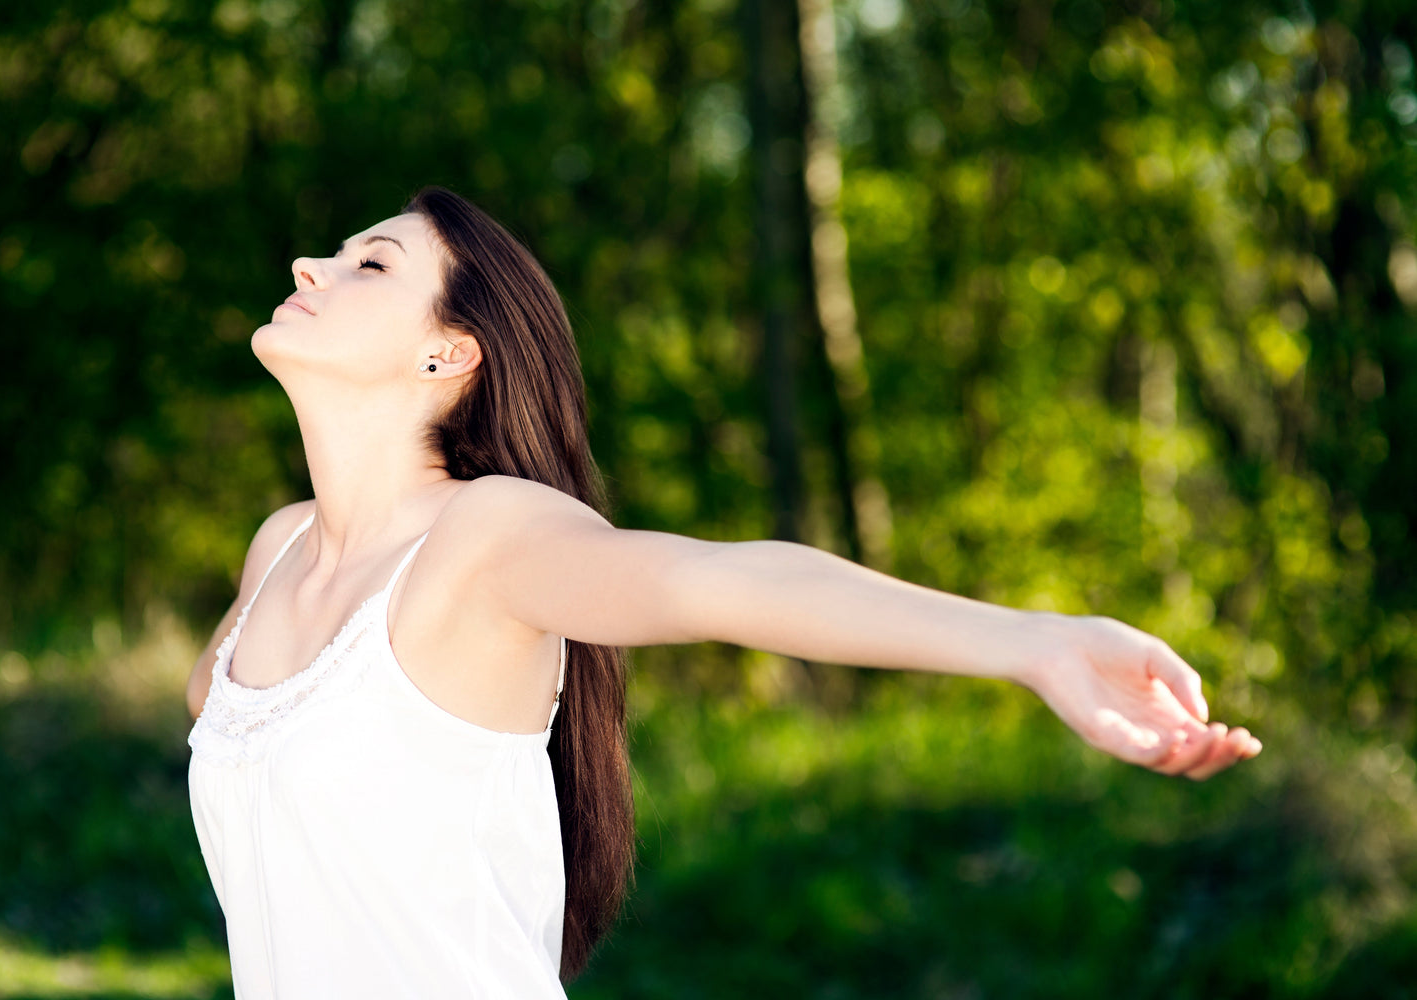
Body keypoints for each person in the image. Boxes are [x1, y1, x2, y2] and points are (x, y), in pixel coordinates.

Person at [184, 185, 1262, 998]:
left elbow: (722, 579)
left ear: (447, 352)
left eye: (369, 265)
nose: (312, 265)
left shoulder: (486, 537)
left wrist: (1033, 642)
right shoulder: (277, 551)